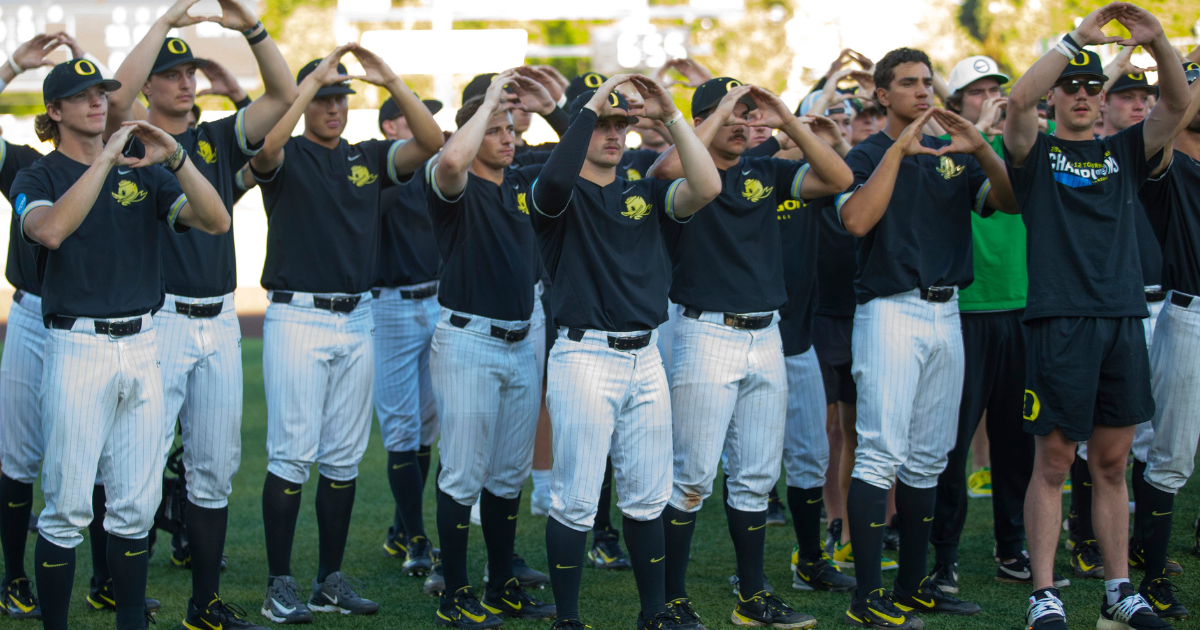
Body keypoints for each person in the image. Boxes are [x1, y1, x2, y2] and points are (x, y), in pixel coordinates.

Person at [15, 56, 229, 630]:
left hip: (144, 342)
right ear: (54, 111)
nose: (98, 101)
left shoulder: (145, 170)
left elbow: (216, 221)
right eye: (82, 95)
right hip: (77, 347)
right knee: (66, 509)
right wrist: (106, 158)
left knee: (135, 508)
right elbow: (51, 230)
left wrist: (178, 159)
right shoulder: (37, 176)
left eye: (102, 93)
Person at [104, 0, 297, 624]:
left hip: (218, 319)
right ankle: (126, 603)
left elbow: (283, 94)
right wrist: (163, 24)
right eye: (171, 74)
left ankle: (204, 604)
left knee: (215, 470)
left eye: (189, 74)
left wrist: (252, 28)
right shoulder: (133, 137)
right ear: (151, 86)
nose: (186, 82)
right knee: (137, 469)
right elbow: (113, 101)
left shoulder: (215, 137)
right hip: (157, 321)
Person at [1003, 3, 1189, 628]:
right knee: (1054, 463)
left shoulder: (1124, 151)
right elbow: (1018, 102)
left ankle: (1118, 590)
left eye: (1091, 85)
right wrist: (1080, 38)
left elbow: (1176, 104)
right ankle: (1044, 593)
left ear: (1102, 97)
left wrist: (1159, 42)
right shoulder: (1035, 151)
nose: (1082, 94)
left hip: (1121, 320)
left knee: (1111, 463)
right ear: (1058, 94)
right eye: (1071, 85)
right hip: (1060, 322)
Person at [647, 76, 852, 627]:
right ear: (705, 118)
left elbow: (840, 176)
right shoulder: (686, 172)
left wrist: (785, 120)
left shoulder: (769, 168)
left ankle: (754, 596)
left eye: (749, 113)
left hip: (769, 335)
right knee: (691, 478)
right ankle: (670, 599)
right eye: (732, 113)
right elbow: (663, 171)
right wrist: (719, 118)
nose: (744, 122)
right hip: (706, 333)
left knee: (756, 477)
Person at [249, 43, 442, 622]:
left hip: (358, 316)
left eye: (341, 98)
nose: (335, 108)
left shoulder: (367, 154)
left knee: (342, 458)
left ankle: (327, 581)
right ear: (308, 103)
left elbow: (433, 145)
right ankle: (279, 583)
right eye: (325, 98)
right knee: (291, 455)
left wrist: (391, 78)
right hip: (298, 315)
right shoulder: (287, 156)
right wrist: (309, 82)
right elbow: (264, 148)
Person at [836, 46, 1018, 628]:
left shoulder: (951, 152)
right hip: (891, 310)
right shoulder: (863, 153)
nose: (923, 92)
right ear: (882, 94)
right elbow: (857, 220)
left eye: (928, 82)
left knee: (929, 460)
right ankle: (868, 598)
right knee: (880, 453)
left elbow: (1011, 201)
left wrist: (982, 147)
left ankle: (914, 587)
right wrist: (899, 149)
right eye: (909, 84)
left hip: (948, 310)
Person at [533, 75, 721, 630]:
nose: (616, 134)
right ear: (581, 127)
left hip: (646, 357)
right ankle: (567, 618)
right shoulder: (556, 195)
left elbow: (706, 186)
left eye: (623, 124)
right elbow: (553, 183)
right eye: (605, 124)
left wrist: (670, 117)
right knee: (575, 500)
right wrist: (590, 107)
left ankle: (654, 612)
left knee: (645, 497)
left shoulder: (642, 189)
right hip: (584, 356)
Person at [425, 70, 555, 628]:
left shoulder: (521, 183)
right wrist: (487, 103)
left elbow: (573, 150)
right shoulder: (454, 187)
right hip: (469, 340)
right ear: (475, 134)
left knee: (507, 475)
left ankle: (500, 584)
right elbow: (451, 163)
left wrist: (547, 104)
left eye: (513, 129)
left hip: (522, 340)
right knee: (462, 473)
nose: (511, 138)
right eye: (499, 130)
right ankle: (454, 592)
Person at [928, 54, 1060, 595]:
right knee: (952, 446)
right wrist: (977, 133)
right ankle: (943, 556)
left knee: (1016, 443)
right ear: (956, 103)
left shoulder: (1028, 146)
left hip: (1023, 311)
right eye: (978, 91)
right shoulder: (939, 151)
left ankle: (1012, 548)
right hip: (964, 313)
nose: (992, 98)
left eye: (996, 90)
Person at [1133, 58, 1200, 621]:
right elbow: (1174, 116)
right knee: (1170, 457)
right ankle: (1152, 578)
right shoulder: (1170, 164)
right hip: (1189, 316)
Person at [373, 94, 445, 577]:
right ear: (387, 126)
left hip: (438, 299)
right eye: (412, 116)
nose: (426, 125)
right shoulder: (376, 173)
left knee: (427, 425)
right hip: (391, 304)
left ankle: (404, 524)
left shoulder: (437, 171)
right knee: (402, 425)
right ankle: (416, 539)